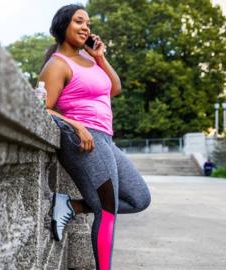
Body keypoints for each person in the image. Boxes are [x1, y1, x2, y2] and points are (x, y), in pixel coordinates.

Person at [39, 4, 152, 269]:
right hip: (83, 142)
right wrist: (76, 126)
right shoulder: (57, 65)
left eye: (88, 23)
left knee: (139, 199)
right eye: (79, 21)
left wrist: (100, 57)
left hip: (105, 139)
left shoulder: (91, 61)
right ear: (62, 25)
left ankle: (70, 205)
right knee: (107, 211)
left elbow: (115, 88)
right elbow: (41, 109)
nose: (86, 27)